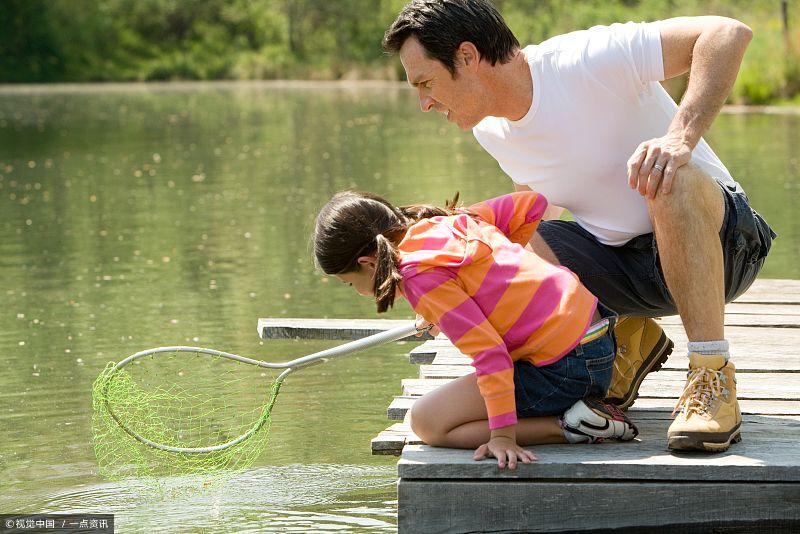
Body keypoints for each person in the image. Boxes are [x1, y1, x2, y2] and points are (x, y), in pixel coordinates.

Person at [382, 0, 775, 452]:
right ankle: (618, 344)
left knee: (670, 179)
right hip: (630, 271)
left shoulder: (584, 60)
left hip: (726, 247)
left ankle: (711, 375)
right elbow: (532, 220)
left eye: (425, 83)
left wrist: (679, 138)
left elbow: (727, 33)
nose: (425, 102)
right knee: (523, 248)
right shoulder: (492, 131)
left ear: (467, 58)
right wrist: (452, 289)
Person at [313, 189, 638, 470]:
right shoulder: (446, 222)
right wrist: (506, 274)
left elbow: (491, 356)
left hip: (567, 369)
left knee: (427, 422)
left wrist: (502, 436)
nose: (357, 291)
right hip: (596, 333)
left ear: (368, 263)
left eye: (350, 282)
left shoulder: (419, 277)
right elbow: (531, 204)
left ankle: (574, 426)